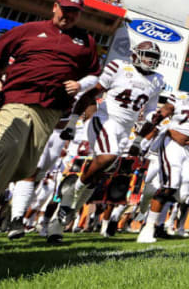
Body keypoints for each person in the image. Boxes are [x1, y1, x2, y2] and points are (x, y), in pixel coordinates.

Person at [0, 0, 100, 251]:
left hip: (51, 110)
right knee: (7, 153)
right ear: (55, 7)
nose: (68, 15)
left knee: (25, 168)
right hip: (17, 99)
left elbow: (94, 75)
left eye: (74, 12)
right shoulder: (28, 30)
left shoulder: (86, 41)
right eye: (64, 9)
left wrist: (79, 84)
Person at [47, 41, 166, 243]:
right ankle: (71, 196)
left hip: (125, 130)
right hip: (105, 120)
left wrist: (138, 139)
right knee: (106, 157)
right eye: (146, 55)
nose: (150, 61)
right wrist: (73, 122)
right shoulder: (119, 66)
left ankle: (59, 223)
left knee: (98, 175)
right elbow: (91, 94)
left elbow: (151, 111)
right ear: (135, 55)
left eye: (153, 58)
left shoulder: (157, 80)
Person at [136, 72, 189, 243]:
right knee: (171, 183)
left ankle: (152, 194)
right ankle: (148, 227)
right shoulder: (179, 97)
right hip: (172, 144)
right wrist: (141, 139)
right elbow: (159, 115)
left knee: (184, 194)